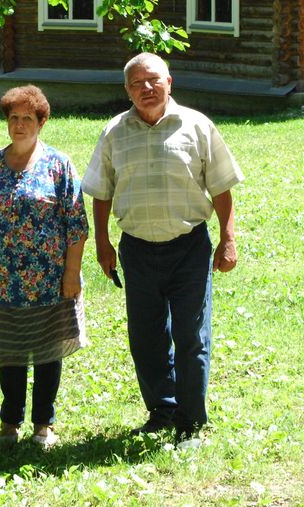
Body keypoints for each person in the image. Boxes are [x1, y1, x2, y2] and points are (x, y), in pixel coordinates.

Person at [82, 53, 243, 448]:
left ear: (169, 82)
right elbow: (101, 192)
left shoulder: (197, 126)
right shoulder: (114, 132)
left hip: (189, 248)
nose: (147, 88)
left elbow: (221, 186)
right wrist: (102, 243)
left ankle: (190, 423)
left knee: (191, 336)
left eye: (153, 79)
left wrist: (228, 238)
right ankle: (162, 410)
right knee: (146, 338)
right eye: (137, 83)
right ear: (127, 90)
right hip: (137, 250)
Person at [0, 85, 88, 449]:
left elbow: (77, 225)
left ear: (41, 122)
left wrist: (71, 274)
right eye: (14, 118)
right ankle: (10, 421)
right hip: (3, 280)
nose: (20, 125)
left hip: (50, 279)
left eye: (28, 118)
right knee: (10, 352)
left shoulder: (59, 164)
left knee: (49, 351)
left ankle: (43, 424)